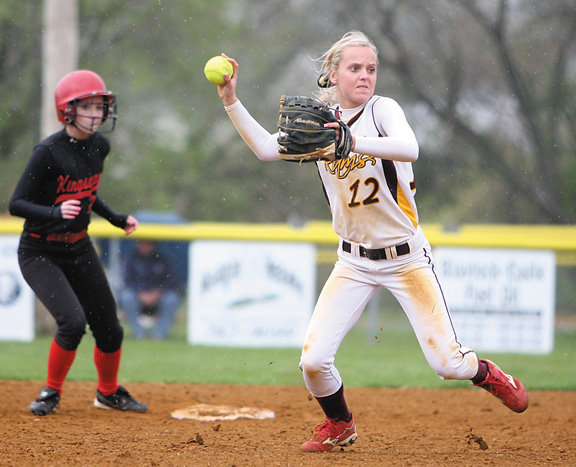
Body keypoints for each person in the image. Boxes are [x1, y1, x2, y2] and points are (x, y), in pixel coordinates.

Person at [214, 31, 528, 452]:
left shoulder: (383, 110)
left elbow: (410, 147)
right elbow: (268, 149)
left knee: (447, 364)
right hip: (353, 261)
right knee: (313, 361)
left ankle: (487, 373)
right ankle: (340, 424)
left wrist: (349, 140)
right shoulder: (319, 124)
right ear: (333, 73)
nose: (365, 76)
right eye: (354, 68)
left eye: (371, 69)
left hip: (407, 259)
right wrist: (231, 101)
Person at [9, 69, 147, 415]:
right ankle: (50, 393)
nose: (96, 113)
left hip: (79, 245)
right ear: (66, 110)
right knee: (72, 323)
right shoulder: (48, 152)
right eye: (87, 106)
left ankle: (108, 392)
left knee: (110, 328)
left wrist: (116, 219)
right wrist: (55, 212)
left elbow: (88, 194)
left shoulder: (100, 146)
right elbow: (16, 205)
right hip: (40, 249)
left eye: (100, 106)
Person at [118, 240, 181, 340]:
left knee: (171, 299)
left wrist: (157, 293)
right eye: (142, 243)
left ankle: (160, 334)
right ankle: (138, 333)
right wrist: (140, 293)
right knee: (126, 297)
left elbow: (171, 281)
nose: (145, 246)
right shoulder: (131, 259)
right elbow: (127, 281)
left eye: (148, 244)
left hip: (158, 297)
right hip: (138, 296)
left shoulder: (162, 260)